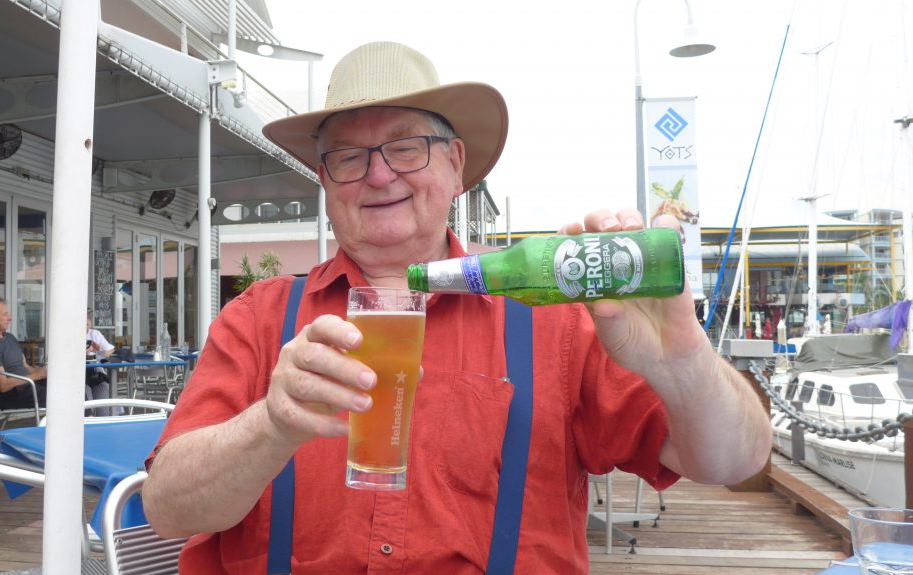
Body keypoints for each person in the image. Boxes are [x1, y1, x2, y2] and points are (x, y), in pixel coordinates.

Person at [142, 42, 771, 573]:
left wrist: (683, 358)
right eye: (349, 156)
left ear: (456, 163)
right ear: (326, 182)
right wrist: (272, 425)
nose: (380, 175)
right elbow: (167, 508)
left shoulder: (554, 316)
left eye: (406, 146)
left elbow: (735, 461)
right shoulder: (259, 316)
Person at [0, 297, 109, 409]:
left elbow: (26, 368)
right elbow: (3, 385)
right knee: (68, 395)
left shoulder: (10, 338)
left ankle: (87, 426)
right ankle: (81, 429)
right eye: (5, 314)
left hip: (29, 387)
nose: (10, 318)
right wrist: (38, 375)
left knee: (75, 388)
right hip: (13, 395)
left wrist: (46, 371)